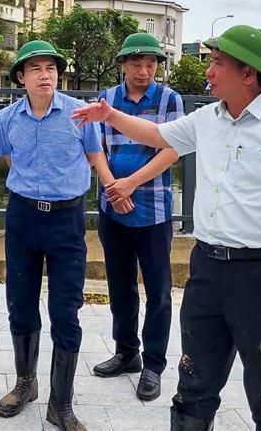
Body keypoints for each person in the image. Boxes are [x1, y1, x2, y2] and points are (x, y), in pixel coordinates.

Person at [72, 24, 261, 431]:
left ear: (248, 74)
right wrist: (110, 114)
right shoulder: (208, 118)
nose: (208, 71)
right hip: (207, 269)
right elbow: (156, 134)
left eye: (217, 63)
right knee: (193, 385)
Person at [0, 40, 113, 431]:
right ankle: (25, 383)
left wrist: (113, 186)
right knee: (21, 303)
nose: (45, 75)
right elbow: (10, 157)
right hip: (23, 218)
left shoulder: (80, 115)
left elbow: (95, 156)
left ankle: (60, 404)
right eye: (36, 69)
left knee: (65, 310)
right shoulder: (8, 118)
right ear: (21, 78)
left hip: (66, 221)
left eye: (51, 68)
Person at [91, 32, 182, 403]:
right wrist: (114, 187)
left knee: (158, 291)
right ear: (123, 64)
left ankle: (154, 365)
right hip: (113, 206)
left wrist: (131, 184)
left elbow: (173, 148)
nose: (144, 70)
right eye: (136, 63)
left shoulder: (168, 99)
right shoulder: (108, 99)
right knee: (120, 285)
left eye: (151, 63)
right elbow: (94, 146)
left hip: (153, 208)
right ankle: (126, 351)